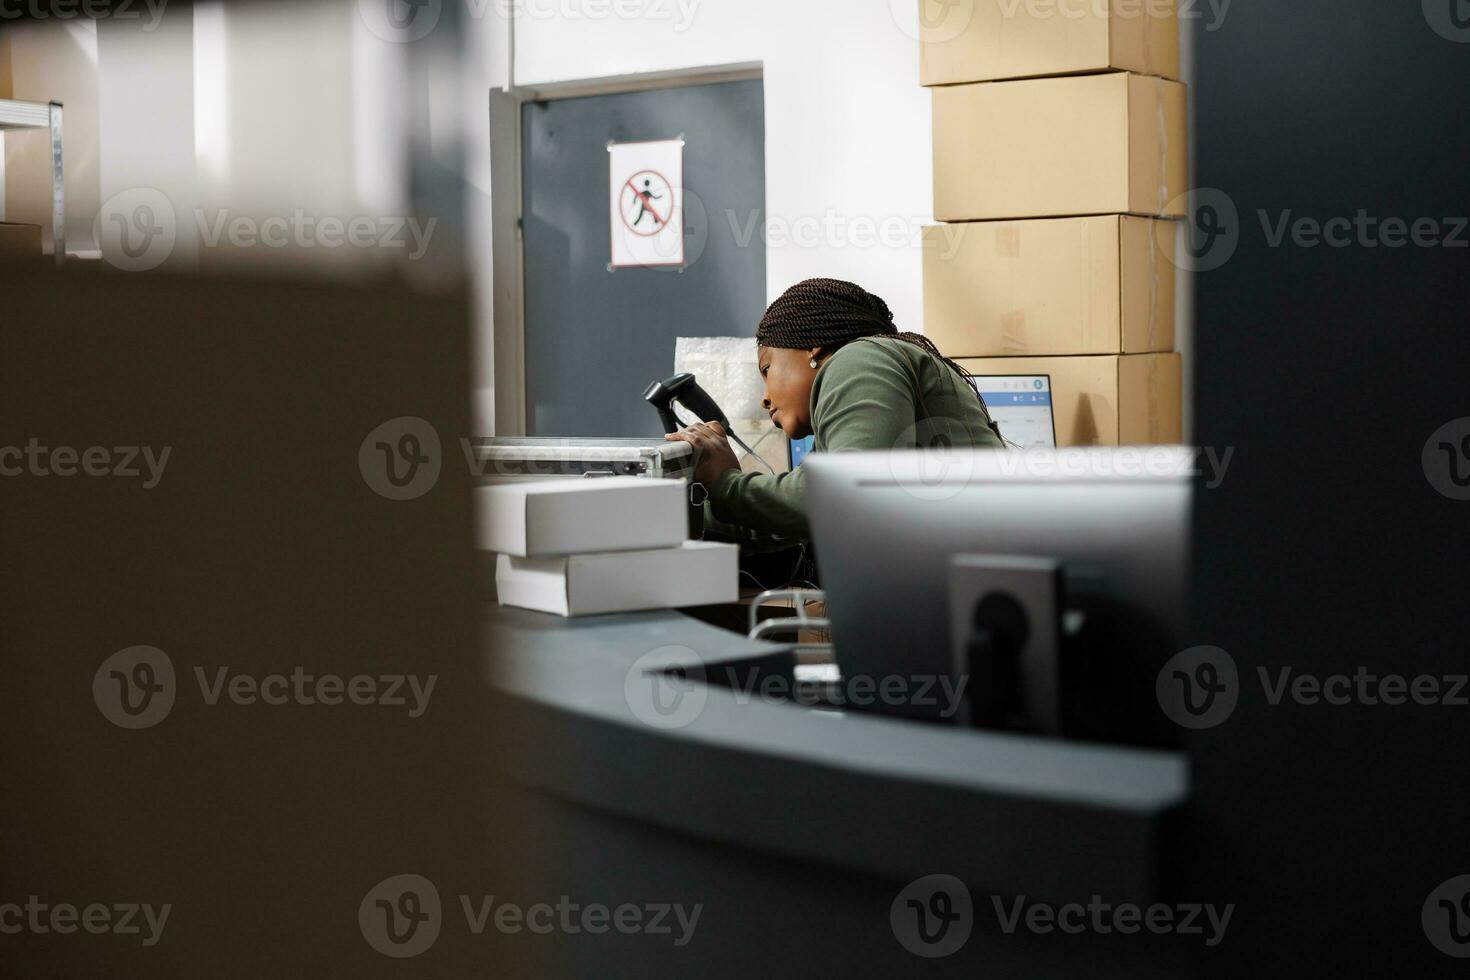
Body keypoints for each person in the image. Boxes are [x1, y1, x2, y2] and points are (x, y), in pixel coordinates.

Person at [665, 277, 1006, 545]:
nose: (764, 398)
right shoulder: (874, 367)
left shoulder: (859, 358)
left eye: (767, 370)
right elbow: (795, 519)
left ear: (812, 347)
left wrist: (726, 483)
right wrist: (681, 517)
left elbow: (843, 496)